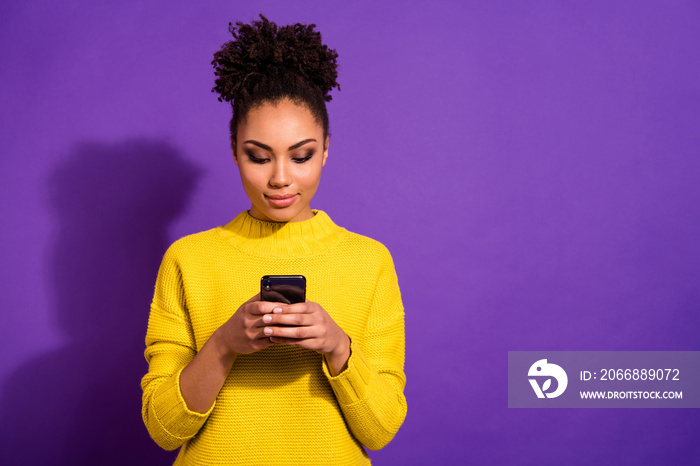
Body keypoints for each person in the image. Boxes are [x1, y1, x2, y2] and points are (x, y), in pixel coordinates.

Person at [141, 15, 406, 465]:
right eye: (258, 157)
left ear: (325, 149)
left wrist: (338, 346)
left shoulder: (369, 261)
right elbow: (163, 429)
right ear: (234, 151)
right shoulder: (188, 258)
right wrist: (224, 343)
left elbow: (380, 430)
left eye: (301, 156)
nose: (281, 179)